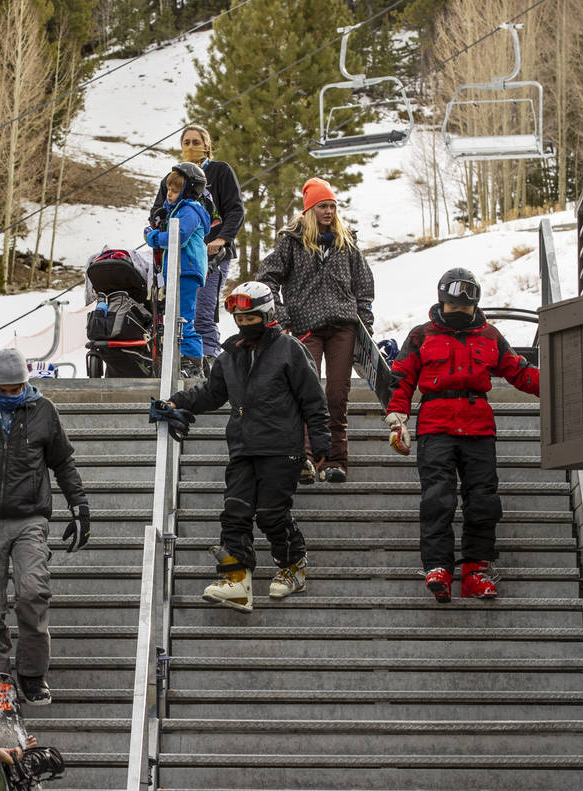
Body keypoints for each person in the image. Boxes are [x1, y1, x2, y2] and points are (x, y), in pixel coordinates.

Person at [151, 282, 329, 613]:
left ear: (268, 315)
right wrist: (174, 402)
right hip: (243, 448)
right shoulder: (230, 355)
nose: (245, 324)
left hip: (281, 447)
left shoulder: (290, 350)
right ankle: (237, 581)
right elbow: (210, 393)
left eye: (251, 317)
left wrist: (320, 442)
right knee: (235, 512)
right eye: (239, 318)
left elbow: (313, 400)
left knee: (271, 514)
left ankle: (293, 567)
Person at [0, 348, 91, 704]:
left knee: (32, 593)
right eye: (4, 389)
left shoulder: (44, 411)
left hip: (30, 518)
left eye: (17, 388)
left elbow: (63, 462)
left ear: (27, 382)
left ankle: (31, 674)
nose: (11, 394)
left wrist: (79, 504)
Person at [384, 268, 540, 602]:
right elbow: (400, 379)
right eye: (455, 308)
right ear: (442, 302)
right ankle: (438, 568)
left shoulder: (491, 336)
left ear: (475, 305)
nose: (460, 314)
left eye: (466, 309)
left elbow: (519, 372)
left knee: (483, 502)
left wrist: (560, 383)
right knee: (437, 499)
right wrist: (398, 417)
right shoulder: (420, 336)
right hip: (435, 427)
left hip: (479, 429)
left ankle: (475, 572)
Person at [257, 177, 374, 485]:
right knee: (307, 395)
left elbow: (364, 285)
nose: (329, 212)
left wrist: (365, 323)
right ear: (310, 210)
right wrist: (282, 317)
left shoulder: (346, 242)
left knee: (336, 394)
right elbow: (267, 278)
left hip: (342, 328)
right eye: (323, 206)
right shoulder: (290, 242)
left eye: (333, 206)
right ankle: (306, 459)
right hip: (305, 328)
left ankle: (335, 460)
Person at [150, 125, 246, 374]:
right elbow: (157, 210)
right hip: (177, 257)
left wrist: (222, 239)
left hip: (210, 253)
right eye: (187, 142)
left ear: (207, 145)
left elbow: (235, 209)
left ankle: (209, 359)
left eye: (196, 142)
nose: (191, 147)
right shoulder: (172, 178)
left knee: (202, 309)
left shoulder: (220, 171)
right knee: (176, 311)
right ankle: (181, 360)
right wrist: (156, 232)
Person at [144, 162, 212, 378]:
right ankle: (181, 358)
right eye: (169, 190)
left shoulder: (190, 210)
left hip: (187, 271)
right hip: (176, 272)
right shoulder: (177, 210)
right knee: (174, 317)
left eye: (175, 190)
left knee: (183, 317)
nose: (170, 194)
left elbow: (178, 238)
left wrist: (152, 237)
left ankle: (193, 362)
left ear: (188, 190)